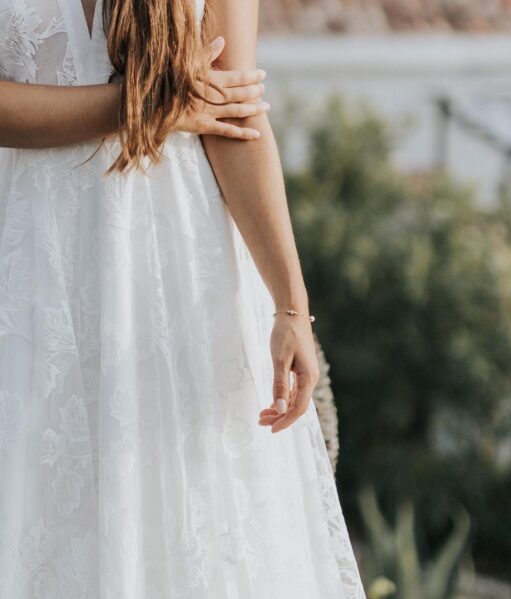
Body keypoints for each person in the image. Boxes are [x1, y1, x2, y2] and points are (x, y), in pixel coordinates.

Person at [0, 0, 367, 597]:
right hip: (31, 274)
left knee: (187, 518)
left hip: (178, 281)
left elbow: (238, 125)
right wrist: (155, 107)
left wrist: (291, 308)